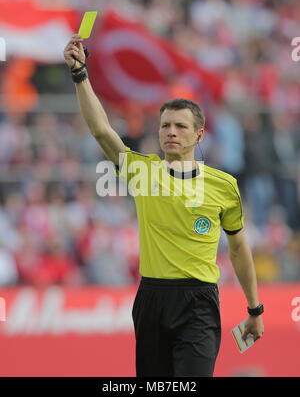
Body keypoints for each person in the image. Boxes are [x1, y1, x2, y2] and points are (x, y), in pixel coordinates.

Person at [64, 34, 264, 377]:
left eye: (180, 126)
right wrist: (81, 75)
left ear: (199, 135)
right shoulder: (142, 171)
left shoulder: (224, 185)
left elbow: (238, 248)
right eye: (165, 126)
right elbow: (101, 130)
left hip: (199, 302)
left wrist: (255, 309)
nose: (171, 132)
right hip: (152, 298)